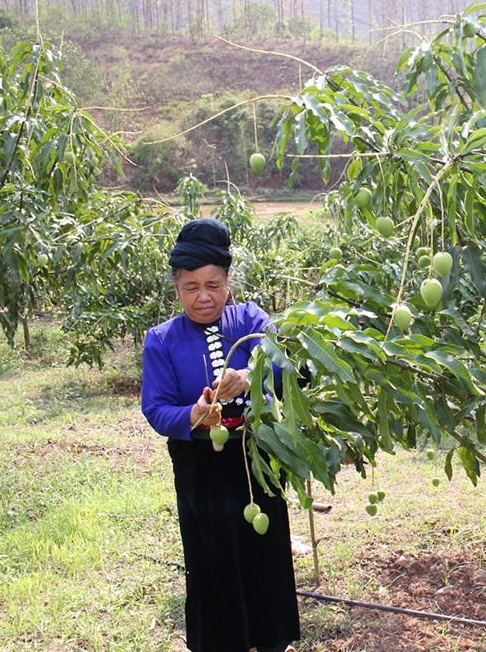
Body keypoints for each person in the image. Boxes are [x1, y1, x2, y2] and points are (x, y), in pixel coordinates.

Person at [141, 217, 299, 652]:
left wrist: (251, 376)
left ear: (229, 283)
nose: (203, 296)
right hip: (201, 468)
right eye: (191, 287)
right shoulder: (162, 340)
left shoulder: (252, 320)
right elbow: (155, 407)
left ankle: (270, 639)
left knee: (263, 553)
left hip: (258, 458)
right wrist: (192, 415)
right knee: (211, 556)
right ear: (176, 289)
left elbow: (289, 367)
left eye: (213, 284)